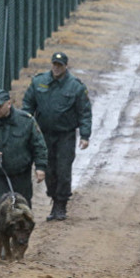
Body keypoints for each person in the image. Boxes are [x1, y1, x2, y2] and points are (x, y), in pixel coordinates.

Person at [22, 51, 92, 222]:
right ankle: (53, 195)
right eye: (54, 64)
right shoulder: (39, 82)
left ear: (65, 67)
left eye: (59, 65)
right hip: (43, 134)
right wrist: (25, 128)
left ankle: (60, 204)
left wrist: (85, 135)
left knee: (63, 169)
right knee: (47, 169)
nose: (56, 68)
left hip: (65, 135)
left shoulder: (75, 86)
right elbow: (28, 105)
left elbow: (84, 112)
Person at [0, 89, 48, 214]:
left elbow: (39, 145)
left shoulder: (26, 121)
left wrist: (40, 167)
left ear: (9, 104)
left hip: (21, 174)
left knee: (22, 212)